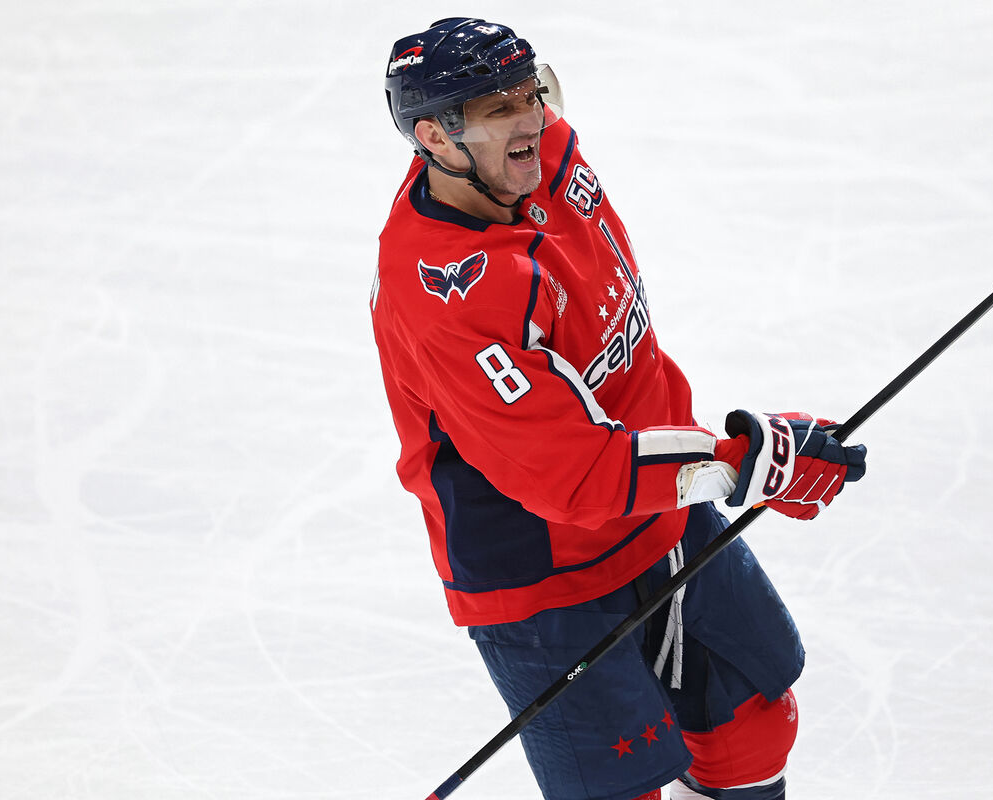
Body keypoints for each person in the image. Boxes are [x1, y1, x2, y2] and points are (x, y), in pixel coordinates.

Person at [370, 18, 867, 800]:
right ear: (434, 137)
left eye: (530, 94)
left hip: (658, 509)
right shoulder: (445, 295)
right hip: (545, 574)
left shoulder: (543, 155)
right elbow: (571, 473)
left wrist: (726, 466)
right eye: (498, 108)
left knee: (751, 729)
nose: (530, 121)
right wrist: (743, 463)